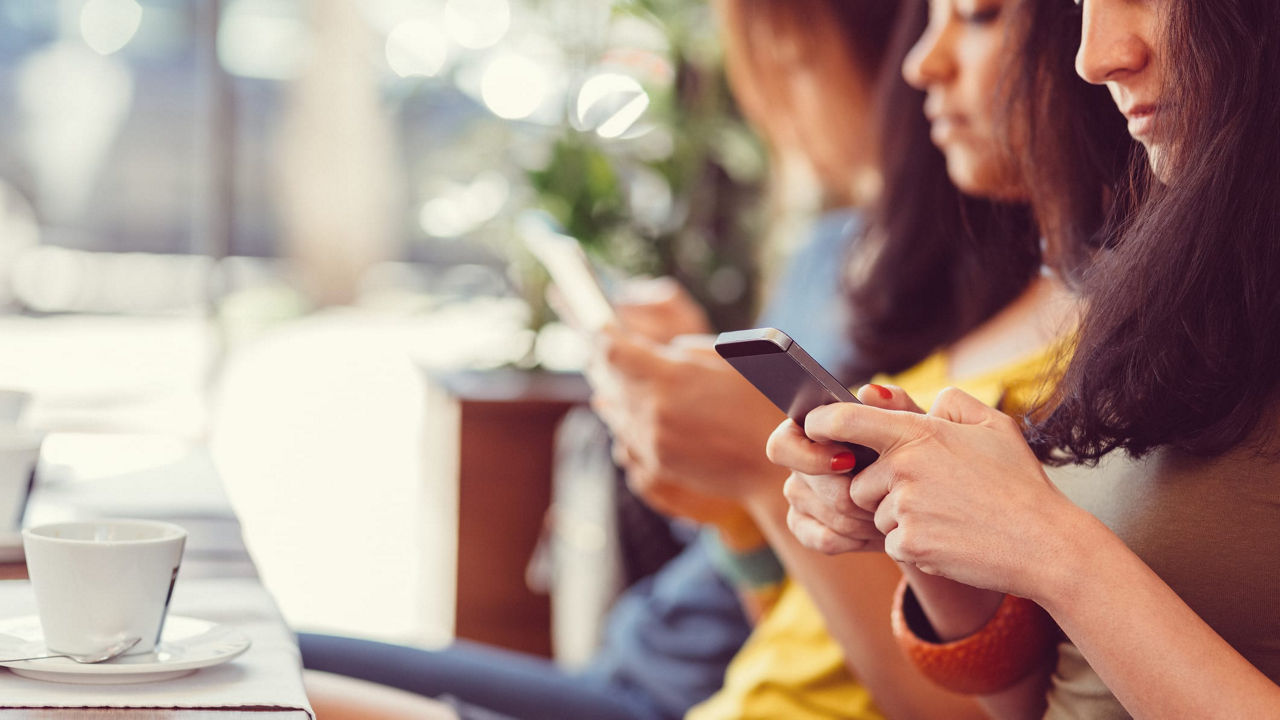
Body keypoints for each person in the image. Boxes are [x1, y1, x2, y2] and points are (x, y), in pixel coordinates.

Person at [301, 1, 898, 718]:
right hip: (650, 654)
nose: (767, 104)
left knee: (265, 680)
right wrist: (692, 383)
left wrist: (747, 472)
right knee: (271, 652)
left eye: (796, 67)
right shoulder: (827, 250)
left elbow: (817, 551)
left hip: (686, 689)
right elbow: (740, 518)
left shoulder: (917, 296)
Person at [595, 1, 1132, 718]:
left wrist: (758, 476)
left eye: (978, 16)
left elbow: (984, 706)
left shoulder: (1114, 357)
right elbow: (796, 651)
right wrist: (742, 526)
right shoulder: (1000, 299)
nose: (917, 66)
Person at [767, 0, 1280, 717]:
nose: (1090, 57)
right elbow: (1050, 701)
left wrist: (1048, 548)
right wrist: (930, 536)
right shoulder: (1188, 284)